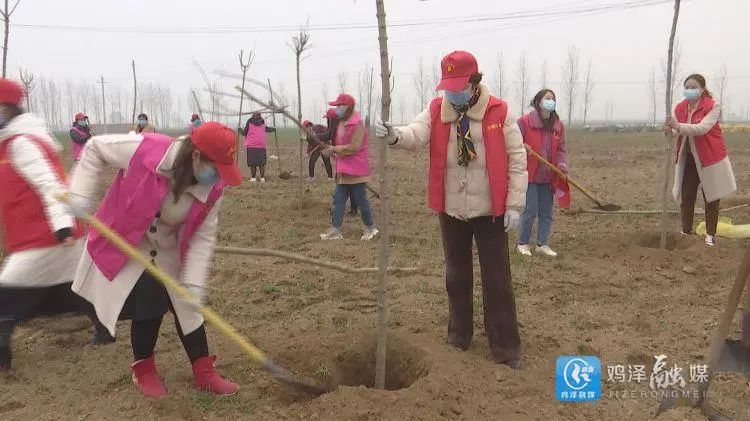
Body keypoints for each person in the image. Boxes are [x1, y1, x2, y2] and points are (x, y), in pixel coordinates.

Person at [376, 51, 527, 368]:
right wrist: (395, 136)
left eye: (458, 86)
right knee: (456, 276)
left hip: (491, 211)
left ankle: (505, 348)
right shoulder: (436, 110)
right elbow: (415, 134)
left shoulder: (500, 112)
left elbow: (517, 160)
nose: (452, 93)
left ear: (474, 83)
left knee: (497, 280)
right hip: (452, 209)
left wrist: (514, 204)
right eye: (448, 87)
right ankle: (459, 337)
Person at [68, 122, 242, 397]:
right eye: (216, 168)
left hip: (168, 246)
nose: (218, 176)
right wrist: (78, 194)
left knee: (187, 305)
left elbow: (202, 238)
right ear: (196, 156)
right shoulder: (146, 150)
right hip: (129, 239)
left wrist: (194, 283)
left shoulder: (214, 190)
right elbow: (94, 148)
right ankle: (144, 369)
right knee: (150, 300)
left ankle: (204, 372)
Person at [0, 79, 113, 372]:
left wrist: (62, 226)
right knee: (75, 286)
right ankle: (105, 329)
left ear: (8, 109)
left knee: (6, 295)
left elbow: (50, 184)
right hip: (46, 231)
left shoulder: (22, 143)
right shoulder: (11, 143)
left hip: (46, 233)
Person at [665, 74, 736, 246]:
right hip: (689, 159)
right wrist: (670, 131)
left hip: (710, 158)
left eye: (693, 87)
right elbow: (677, 131)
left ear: (702, 89)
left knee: (711, 197)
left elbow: (702, 128)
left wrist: (678, 126)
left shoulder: (712, 106)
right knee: (687, 196)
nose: (689, 90)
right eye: (686, 87)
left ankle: (710, 235)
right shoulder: (681, 108)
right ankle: (685, 231)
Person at [516, 89, 570, 257]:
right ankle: (523, 243)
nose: (551, 101)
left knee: (547, 212)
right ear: (538, 101)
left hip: (549, 176)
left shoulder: (557, 126)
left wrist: (561, 166)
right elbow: (513, 143)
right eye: (547, 98)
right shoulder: (524, 122)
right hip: (531, 175)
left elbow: (561, 149)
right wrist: (522, 147)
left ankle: (542, 244)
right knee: (531, 210)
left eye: (553, 99)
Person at [319, 94, 378, 241]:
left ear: (348, 107)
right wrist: (331, 151)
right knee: (338, 199)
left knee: (360, 200)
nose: (337, 109)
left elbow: (354, 147)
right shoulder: (342, 124)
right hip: (344, 170)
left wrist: (333, 149)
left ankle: (370, 228)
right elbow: (340, 146)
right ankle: (335, 229)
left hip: (356, 170)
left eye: (339, 106)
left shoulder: (357, 125)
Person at [239, 112, 275, 182]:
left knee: (253, 163)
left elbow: (244, 133)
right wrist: (274, 129)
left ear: (253, 116)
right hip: (261, 146)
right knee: (261, 163)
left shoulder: (250, 122)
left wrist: (239, 129)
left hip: (252, 145)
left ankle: (253, 178)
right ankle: (262, 178)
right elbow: (268, 129)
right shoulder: (262, 122)